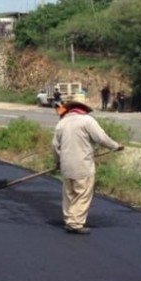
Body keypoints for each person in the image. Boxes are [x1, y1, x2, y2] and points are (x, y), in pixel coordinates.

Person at [53, 94, 123, 235]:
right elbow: (101, 138)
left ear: (71, 107)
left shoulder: (62, 123)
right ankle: (76, 223)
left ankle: (69, 219)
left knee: (69, 194)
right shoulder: (87, 121)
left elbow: (54, 146)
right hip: (82, 165)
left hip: (66, 165)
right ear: (83, 107)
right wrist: (115, 146)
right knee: (82, 194)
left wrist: (57, 162)